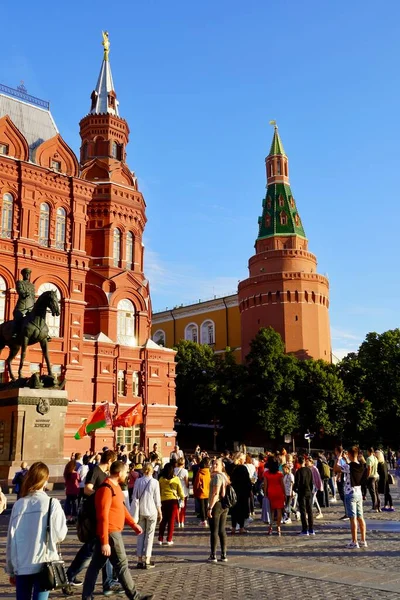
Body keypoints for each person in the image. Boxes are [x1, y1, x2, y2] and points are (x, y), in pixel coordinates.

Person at [82, 461, 153, 600]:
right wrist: (104, 541)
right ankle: (135, 596)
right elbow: (103, 516)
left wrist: (133, 524)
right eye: (126, 472)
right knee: (122, 565)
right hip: (110, 532)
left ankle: (87, 596)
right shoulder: (106, 489)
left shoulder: (116, 487)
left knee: (95, 566)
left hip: (112, 532)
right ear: (119, 473)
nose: (127, 475)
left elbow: (121, 508)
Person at [6, 462, 68, 600]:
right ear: (46, 480)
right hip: (43, 564)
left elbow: (11, 539)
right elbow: (60, 535)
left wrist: (10, 568)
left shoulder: (18, 505)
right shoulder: (52, 503)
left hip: (21, 564)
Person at [64, 450, 120, 596]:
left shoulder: (105, 474)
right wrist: (100, 494)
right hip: (93, 515)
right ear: (110, 461)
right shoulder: (95, 470)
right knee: (90, 551)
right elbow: (87, 489)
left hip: (100, 514)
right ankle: (69, 577)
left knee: (102, 548)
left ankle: (108, 583)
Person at [335, 446, 367, 548]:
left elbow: (336, 468)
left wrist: (339, 457)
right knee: (360, 517)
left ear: (349, 454)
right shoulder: (361, 465)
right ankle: (363, 540)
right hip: (358, 492)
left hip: (350, 493)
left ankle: (354, 541)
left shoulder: (349, 466)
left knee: (352, 519)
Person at [130, 463, 162, 569]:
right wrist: (160, 512)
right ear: (152, 471)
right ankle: (147, 559)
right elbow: (157, 500)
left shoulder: (138, 481)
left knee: (140, 535)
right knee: (150, 535)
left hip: (140, 511)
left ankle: (139, 559)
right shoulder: (155, 482)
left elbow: (134, 496)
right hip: (152, 510)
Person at [206, 458, 229, 563]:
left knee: (214, 530)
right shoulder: (224, 476)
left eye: (216, 464)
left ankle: (213, 555)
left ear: (221, 466)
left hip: (216, 505)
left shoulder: (217, 477)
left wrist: (210, 507)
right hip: (224, 505)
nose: (214, 466)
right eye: (213, 464)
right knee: (221, 530)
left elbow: (215, 494)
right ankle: (223, 554)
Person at [158, 462, 184, 545]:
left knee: (163, 520)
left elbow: (158, 490)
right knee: (171, 521)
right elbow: (180, 491)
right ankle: (169, 539)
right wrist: (182, 498)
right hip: (173, 501)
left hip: (163, 501)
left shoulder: (161, 479)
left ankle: (160, 538)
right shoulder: (176, 479)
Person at [230, 453, 252, 534]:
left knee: (234, 511)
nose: (245, 460)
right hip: (242, 492)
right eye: (244, 459)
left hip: (232, 492)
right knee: (241, 510)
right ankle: (241, 528)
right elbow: (247, 481)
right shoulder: (243, 468)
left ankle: (233, 527)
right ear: (240, 459)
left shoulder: (231, 466)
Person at [264, 457, 286, 535]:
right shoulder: (279, 474)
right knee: (279, 510)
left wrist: (265, 494)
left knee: (271, 511)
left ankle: (270, 527)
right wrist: (285, 494)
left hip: (271, 492)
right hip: (279, 492)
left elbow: (265, 486)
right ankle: (278, 527)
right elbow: (282, 485)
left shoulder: (266, 474)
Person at [294, 455, 314, 536]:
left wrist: (295, 490)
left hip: (302, 493)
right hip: (309, 492)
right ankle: (311, 529)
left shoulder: (298, 472)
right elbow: (311, 482)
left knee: (303, 511)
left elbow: (297, 484)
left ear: (298, 463)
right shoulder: (309, 470)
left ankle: (305, 529)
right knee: (310, 511)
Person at [12, 267, 36, 338]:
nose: (27, 275)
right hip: (22, 305)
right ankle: (15, 332)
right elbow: (20, 290)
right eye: (26, 274)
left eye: (28, 274)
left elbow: (33, 296)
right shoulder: (20, 282)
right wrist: (24, 293)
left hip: (31, 306)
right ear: (23, 275)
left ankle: (44, 334)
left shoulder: (32, 285)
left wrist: (35, 303)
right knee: (18, 318)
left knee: (39, 318)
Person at [193, 457, 211, 526]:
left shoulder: (199, 472)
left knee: (202, 507)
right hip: (207, 491)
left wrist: (195, 492)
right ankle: (206, 518)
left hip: (201, 492)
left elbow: (196, 483)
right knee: (206, 506)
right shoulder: (208, 472)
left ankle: (203, 520)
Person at [174, 457, 189, 527]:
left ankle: (177, 522)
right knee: (183, 507)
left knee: (176, 507)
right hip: (183, 490)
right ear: (183, 463)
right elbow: (186, 482)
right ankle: (182, 521)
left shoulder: (174, 470)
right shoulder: (185, 471)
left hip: (176, 491)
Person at [64, 459, 80, 524]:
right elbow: (79, 480)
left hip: (68, 490)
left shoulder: (66, 474)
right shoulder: (76, 474)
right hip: (75, 490)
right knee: (75, 504)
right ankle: (74, 517)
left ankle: (68, 517)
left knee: (68, 504)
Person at [366, 447, 381, 512]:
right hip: (376, 476)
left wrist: (367, 476)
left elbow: (369, 468)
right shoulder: (375, 458)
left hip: (372, 477)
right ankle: (378, 507)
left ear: (369, 452)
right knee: (376, 492)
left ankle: (374, 508)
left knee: (372, 493)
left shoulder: (369, 458)